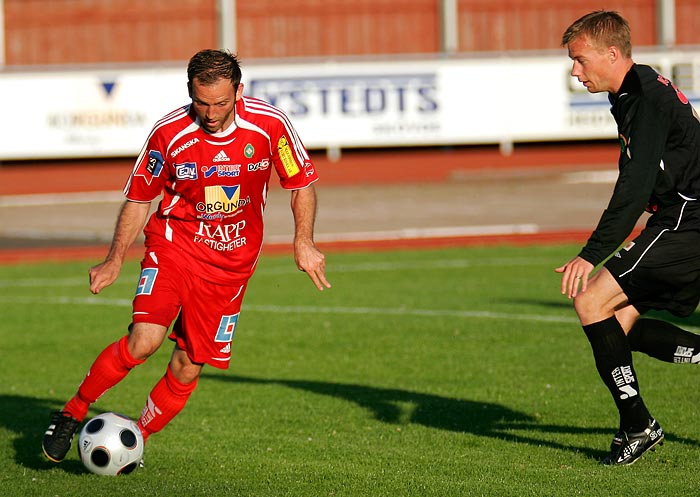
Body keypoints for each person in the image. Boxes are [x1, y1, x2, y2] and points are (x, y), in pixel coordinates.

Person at [42, 49, 331, 464]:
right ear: (189, 92)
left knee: (187, 366)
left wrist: (304, 239)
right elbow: (140, 199)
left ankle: (134, 439)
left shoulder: (270, 127)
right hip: (174, 247)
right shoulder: (169, 133)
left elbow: (302, 183)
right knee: (144, 341)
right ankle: (70, 414)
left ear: (239, 92)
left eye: (221, 103)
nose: (211, 113)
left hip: (231, 267)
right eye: (202, 102)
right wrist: (114, 258)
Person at [556, 10, 700, 465]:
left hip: (686, 220)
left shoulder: (643, 100)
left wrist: (591, 254)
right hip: (681, 217)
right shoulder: (635, 89)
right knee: (617, 325)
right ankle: (638, 423)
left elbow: (634, 187)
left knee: (591, 303)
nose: (575, 71)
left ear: (611, 54)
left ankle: (638, 424)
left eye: (580, 60)